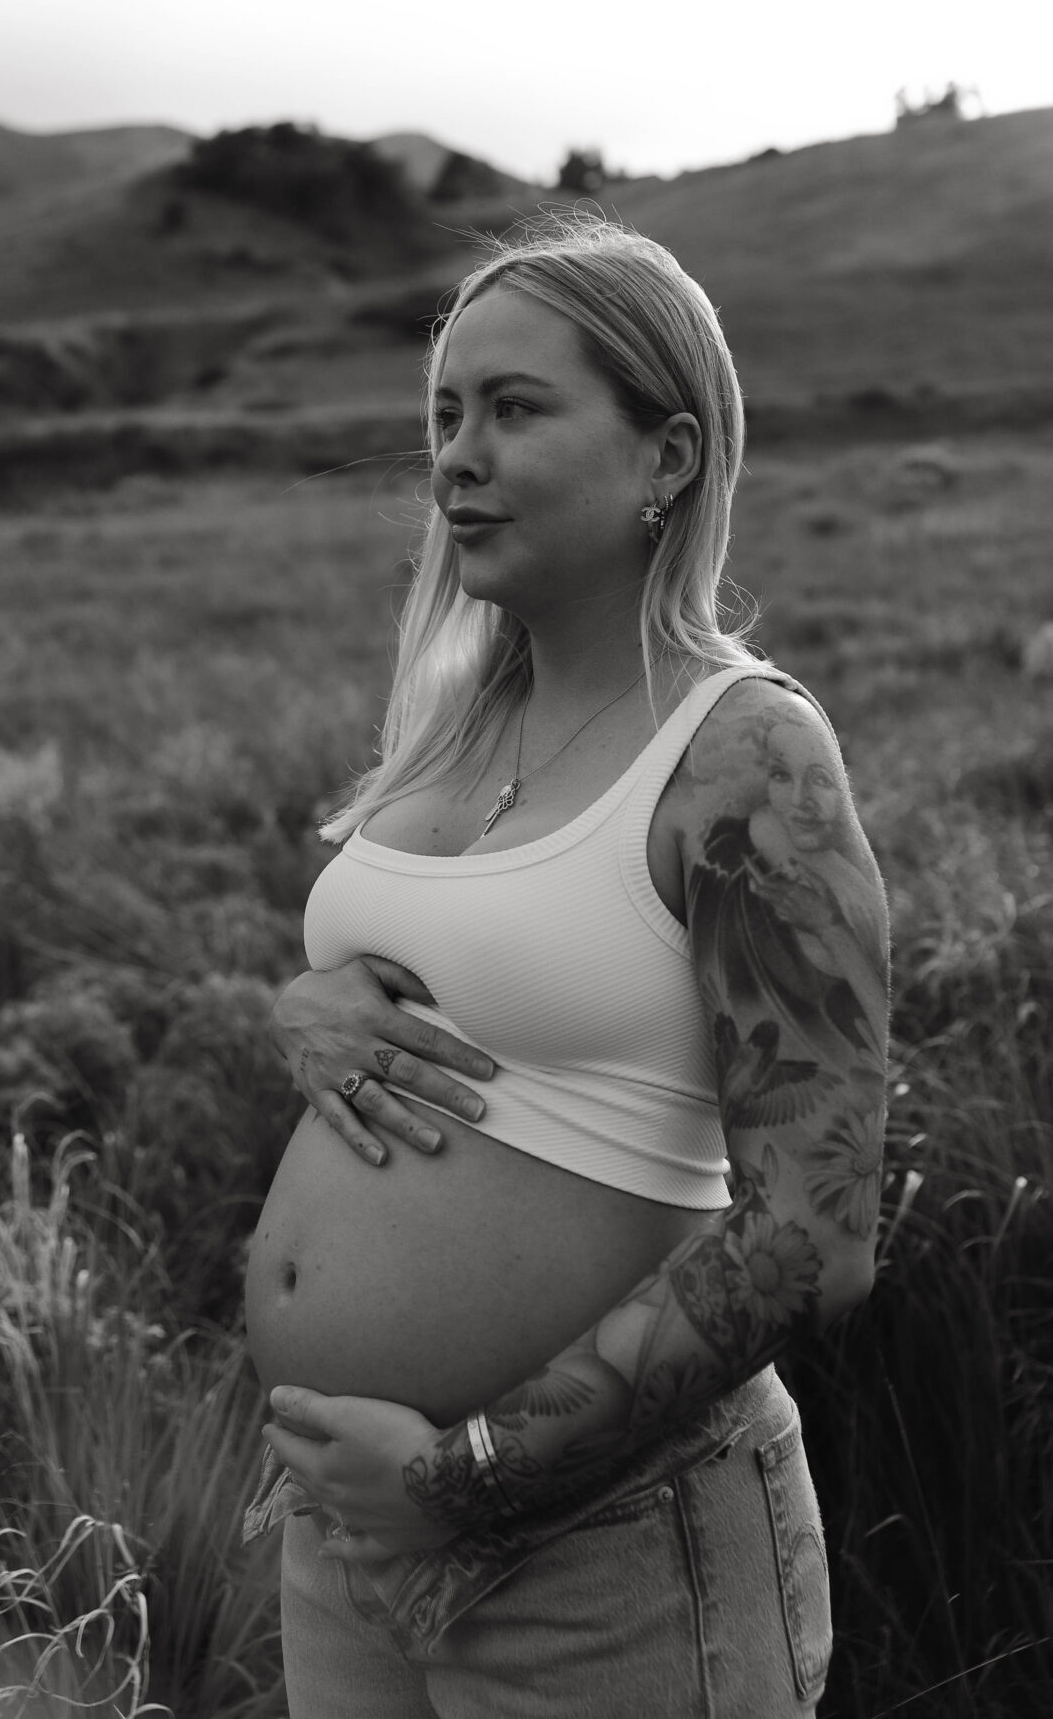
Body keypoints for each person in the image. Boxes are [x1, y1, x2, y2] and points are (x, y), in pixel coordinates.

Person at [242, 218, 890, 1718]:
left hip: (603, 1558)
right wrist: (300, 1012)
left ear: (666, 456)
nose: (457, 456)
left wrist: (470, 1477)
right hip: (348, 1536)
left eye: (516, 409)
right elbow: (478, 997)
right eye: (445, 413)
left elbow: (814, 1228)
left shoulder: (743, 754)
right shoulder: (463, 720)